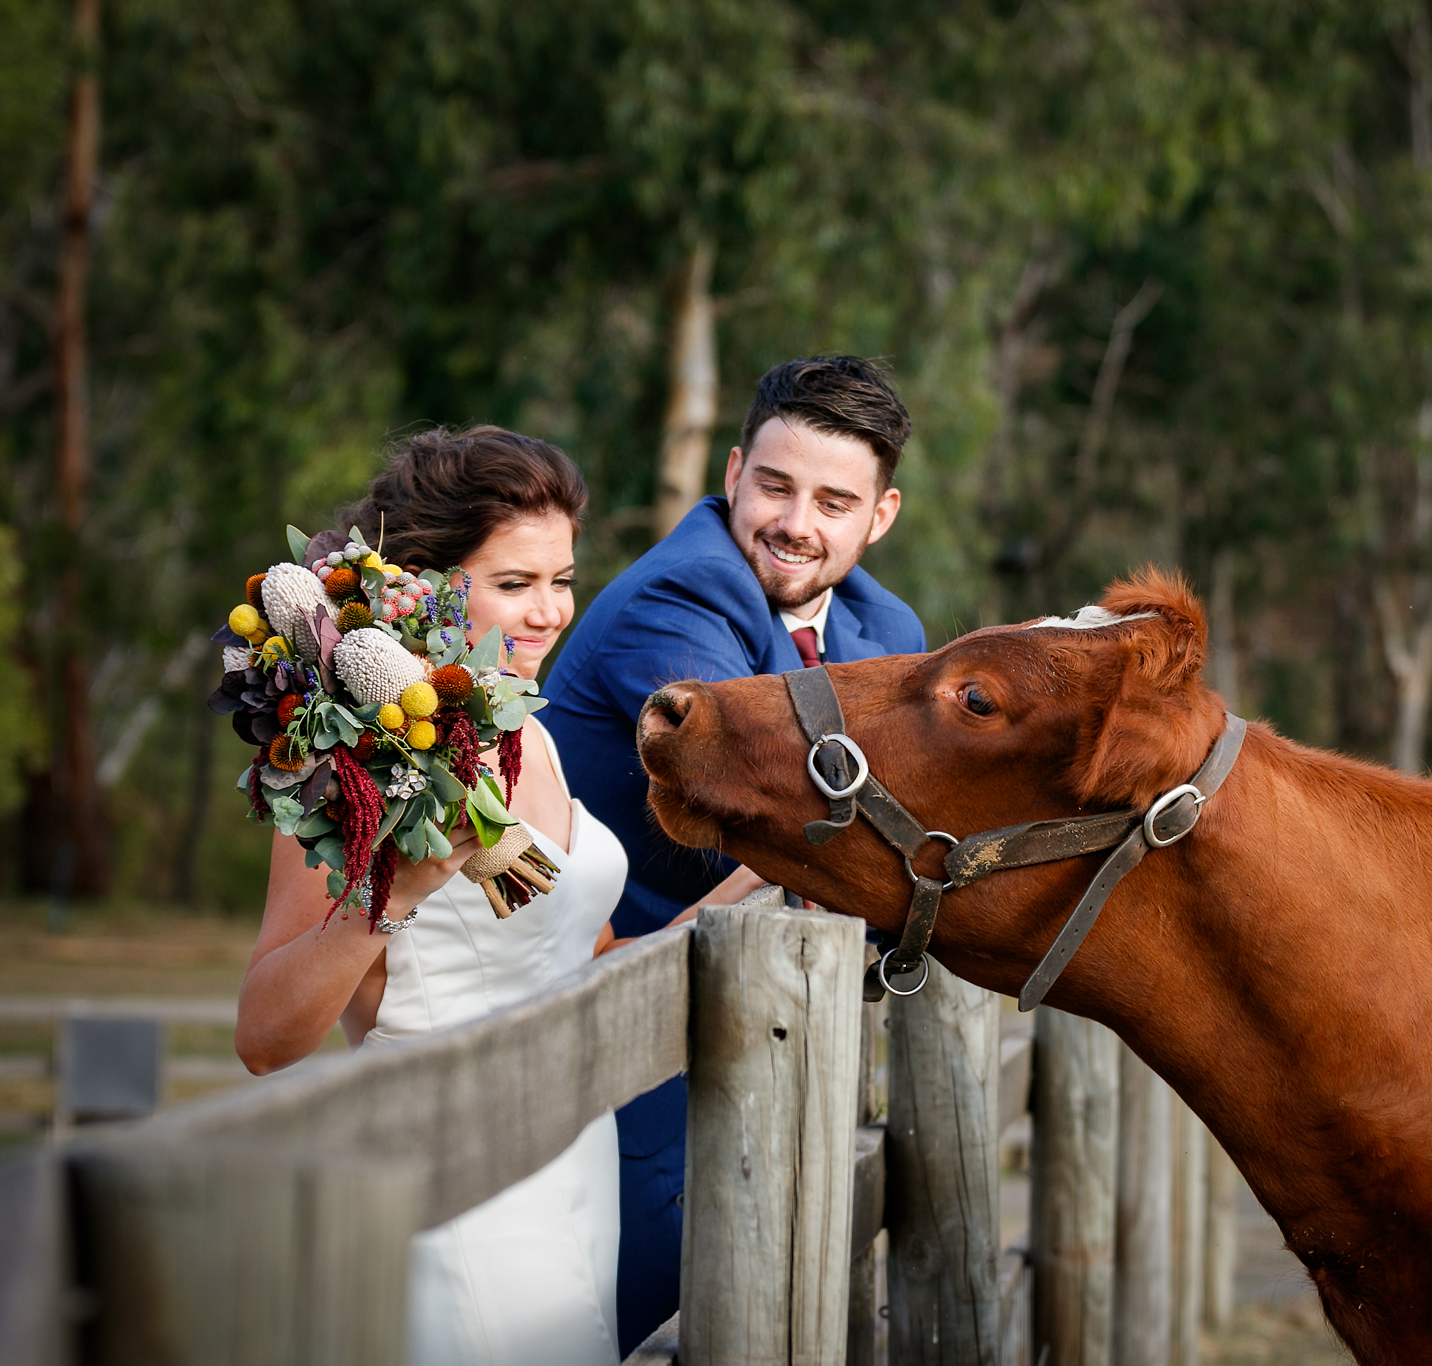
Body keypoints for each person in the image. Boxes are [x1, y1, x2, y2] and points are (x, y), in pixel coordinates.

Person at [234, 425, 733, 1366]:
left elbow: (573, 968)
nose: (549, 612)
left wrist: (741, 896)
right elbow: (264, 1037)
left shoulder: (527, 730)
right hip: (451, 1169)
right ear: (424, 588)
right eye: (515, 584)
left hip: (573, 1162)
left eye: (563, 580)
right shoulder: (358, 761)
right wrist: (400, 890)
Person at [540, 355, 927, 1352]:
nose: (797, 522)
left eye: (833, 500)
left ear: (878, 517)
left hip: (780, 1025)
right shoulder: (674, 601)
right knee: (651, 1325)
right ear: (731, 471)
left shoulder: (886, 627)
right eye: (775, 485)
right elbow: (782, 811)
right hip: (633, 1033)